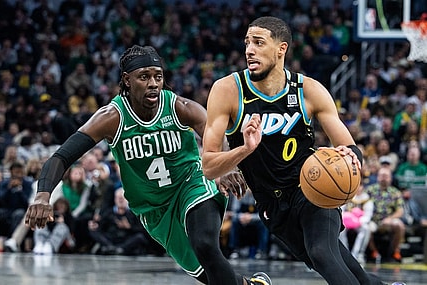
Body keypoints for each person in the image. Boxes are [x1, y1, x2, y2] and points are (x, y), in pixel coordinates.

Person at [24, 45, 271, 285]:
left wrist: (225, 167)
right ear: (127, 80)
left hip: (192, 184)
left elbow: (216, 136)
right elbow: (61, 157)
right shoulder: (112, 118)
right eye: (144, 77)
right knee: (208, 274)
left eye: (158, 76)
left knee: (206, 246)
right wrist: (42, 196)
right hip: (154, 209)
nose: (153, 83)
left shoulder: (178, 107)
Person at [202, 16, 393, 285]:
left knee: (322, 253)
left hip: (312, 186)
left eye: (258, 43)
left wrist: (352, 158)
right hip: (272, 205)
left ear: (281, 49)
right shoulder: (227, 90)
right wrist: (244, 149)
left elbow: (349, 145)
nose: (249, 50)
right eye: (247, 43)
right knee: (344, 267)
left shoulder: (309, 90)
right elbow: (208, 166)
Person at [365, 167, 406, 263]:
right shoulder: (369, 190)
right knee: (366, 226)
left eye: (386, 176)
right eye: (381, 175)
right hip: (373, 220)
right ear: (377, 177)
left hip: (388, 221)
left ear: (391, 178)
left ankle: (395, 252)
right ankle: (374, 251)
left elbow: (400, 211)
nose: (383, 178)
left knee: (399, 225)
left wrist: (389, 219)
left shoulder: (395, 192)